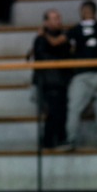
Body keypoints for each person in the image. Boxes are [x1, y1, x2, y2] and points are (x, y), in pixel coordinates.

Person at [63, 0, 97, 149]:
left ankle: (71, 139)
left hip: (82, 75)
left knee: (74, 108)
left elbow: (63, 44)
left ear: (83, 11)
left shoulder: (75, 30)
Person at [31, 9, 71, 149]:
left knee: (61, 112)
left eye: (59, 18)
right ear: (46, 22)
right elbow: (43, 58)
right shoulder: (40, 39)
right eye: (54, 18)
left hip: (62, 82)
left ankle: (58, 140)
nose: (58, 21)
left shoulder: (65, 37)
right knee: (52, 112)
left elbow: (66, 54)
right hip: (47, 83)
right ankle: (51, 141)